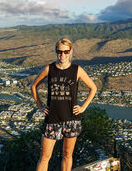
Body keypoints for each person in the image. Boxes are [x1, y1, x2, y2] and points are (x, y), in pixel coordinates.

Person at [31, 37, 97, 171]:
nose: (62, 55)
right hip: (52, 119)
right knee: (45, 157)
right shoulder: (49, 69)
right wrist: (40, 106)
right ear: (56, 51)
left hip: (71, 119)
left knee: (67, 155)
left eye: (66, 52)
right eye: (59, 51)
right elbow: (34, 86)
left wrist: (83, 107)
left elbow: (93, 88)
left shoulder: (77, 70)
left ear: (71, 51)